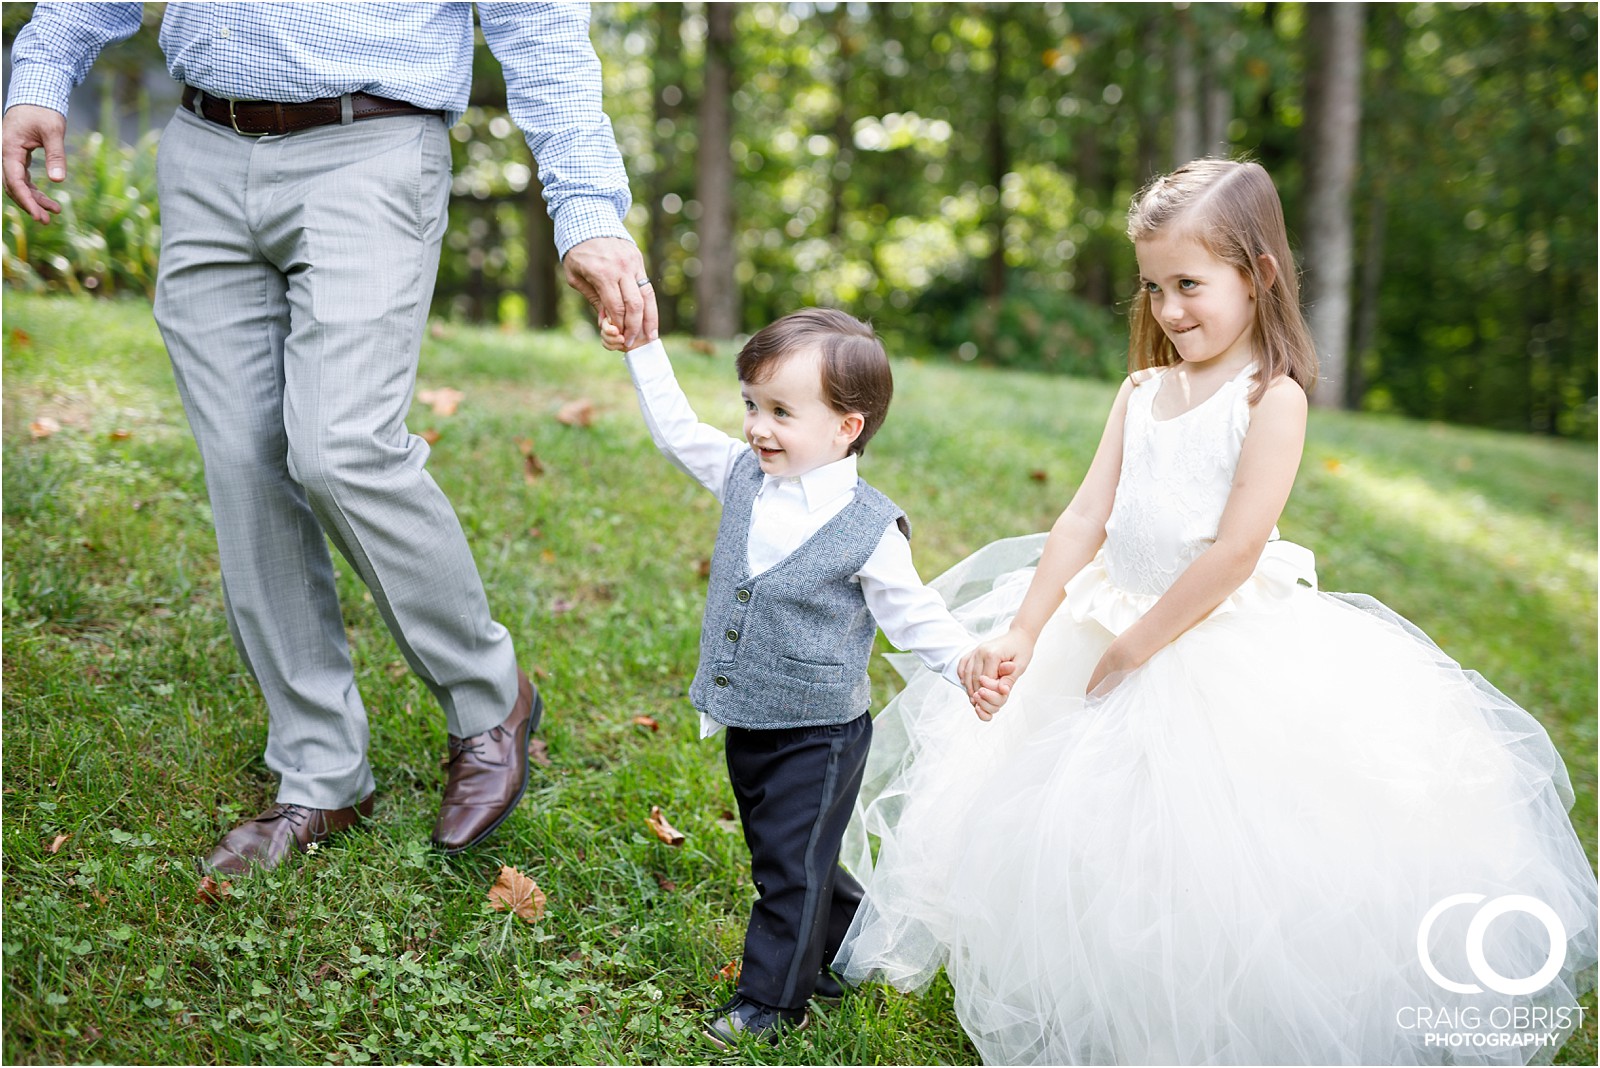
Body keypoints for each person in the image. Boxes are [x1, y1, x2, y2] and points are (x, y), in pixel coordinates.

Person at [832, 159, 1598, 1065]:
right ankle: (1086, 972)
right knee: (1071, 818)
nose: (1168, 309)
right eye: (1153, 287)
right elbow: (1085, 516)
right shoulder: (1141, 394)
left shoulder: (1271, 399)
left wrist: (1136, 647)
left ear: (1259, 274)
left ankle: (1197, 1001)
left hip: (1212, 638)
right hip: (1103, 612)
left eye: (1190, 285)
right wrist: (1029, 627)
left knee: (1204, 842)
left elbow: (1236, 552)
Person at [2, 3, 660, 874]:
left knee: (338, 446)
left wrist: (586, 210)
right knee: (243, 467)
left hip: (371, 147)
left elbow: (535, 19)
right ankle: (321, 774)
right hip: (204, 148)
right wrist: (41, 74)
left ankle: (487, 697)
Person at [599, 308, 984, 1046]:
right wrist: (644, 349)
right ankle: (841, 944)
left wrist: (964, 661)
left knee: (787, 868)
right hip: (750, 720)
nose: (757, 427)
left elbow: (913, 613)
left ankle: (774, 1002)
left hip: (821, 732)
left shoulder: (869, 528)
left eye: (781, 411)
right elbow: (678, 432)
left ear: (847, 427)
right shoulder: (746, 475)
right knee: (790, 853)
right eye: (751, 404)